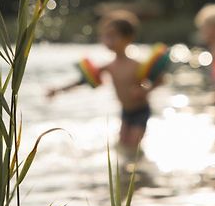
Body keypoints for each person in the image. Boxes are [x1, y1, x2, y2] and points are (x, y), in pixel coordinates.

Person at [47, 10, 164, 151]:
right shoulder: (109, 66)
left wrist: (145, 90)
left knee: (133, 145)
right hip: (125, 112)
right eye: (105, 36)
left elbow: (160, 80)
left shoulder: (136, 65)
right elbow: (83, 81)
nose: (108, 40)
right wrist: (58, 90)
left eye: (113, 36)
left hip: (141, 111)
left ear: (128, 38)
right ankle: (125, 171)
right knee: (122, 145)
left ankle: (139, 171)